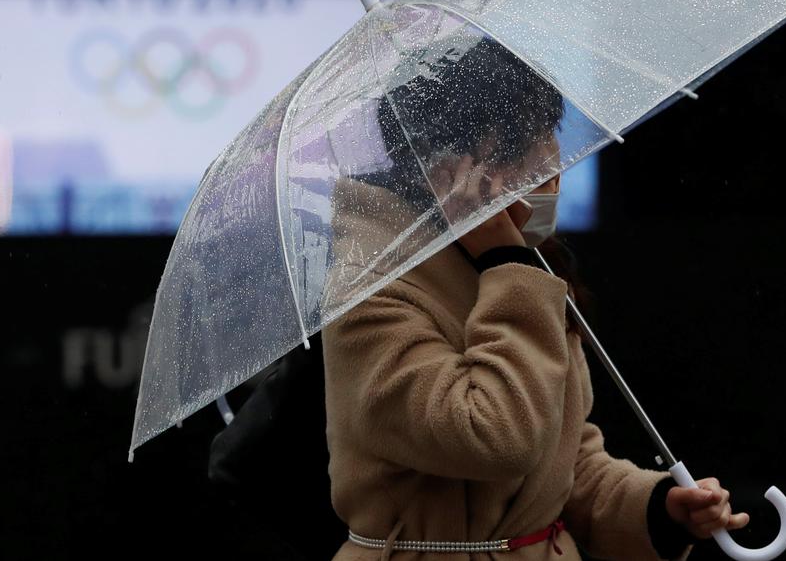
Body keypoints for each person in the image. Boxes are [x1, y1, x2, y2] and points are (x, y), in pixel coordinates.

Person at [321, 35, 750, 560]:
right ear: (448, 168)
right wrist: (509, 265)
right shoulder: (371, 294)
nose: (551, 163)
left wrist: (659, 510)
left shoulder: (518, 265)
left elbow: (562, 462)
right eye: (524, 142)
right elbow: (496, 435)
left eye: (550, 134)